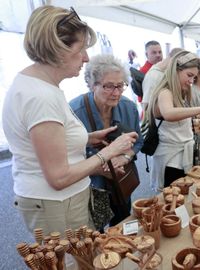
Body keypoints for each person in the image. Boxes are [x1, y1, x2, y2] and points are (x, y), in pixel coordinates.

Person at [2, 5, 137, 236]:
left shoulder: (39, 86)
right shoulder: (40, 96)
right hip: (57, 203)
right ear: (58, 48)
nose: (85, 58)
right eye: (81, 49)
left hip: (59, 201)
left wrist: (88, 138)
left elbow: (51, 140)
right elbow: (59, 177)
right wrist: (111, 150)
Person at [69, 54, 143, 230]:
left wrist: (124, 157)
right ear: (92, 84)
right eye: (109, 86)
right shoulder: (74, 111)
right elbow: (67, 158)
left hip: (120, 183)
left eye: (120, 85)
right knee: (96, 234)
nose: (116, 93)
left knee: (124, 226)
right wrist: (102, 169)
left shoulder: (128, 107)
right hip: (92, 187)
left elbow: (138, 143)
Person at [145, 51, 200, 191]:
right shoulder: (165, 92)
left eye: (194, 77)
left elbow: (176, 121)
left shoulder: (181, 93)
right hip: (170, 160)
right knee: (172, 199)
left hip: (182, 156)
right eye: (189, 76)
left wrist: (193, 122)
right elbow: (169, 114)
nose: (191, 81)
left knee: (181, 196)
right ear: (175, 71)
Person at [142, 47, 184, 111]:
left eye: (160, 52)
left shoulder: (166, 73)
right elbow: (146, 107)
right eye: (178, 66)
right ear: (173, 60)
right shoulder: (153, 76)